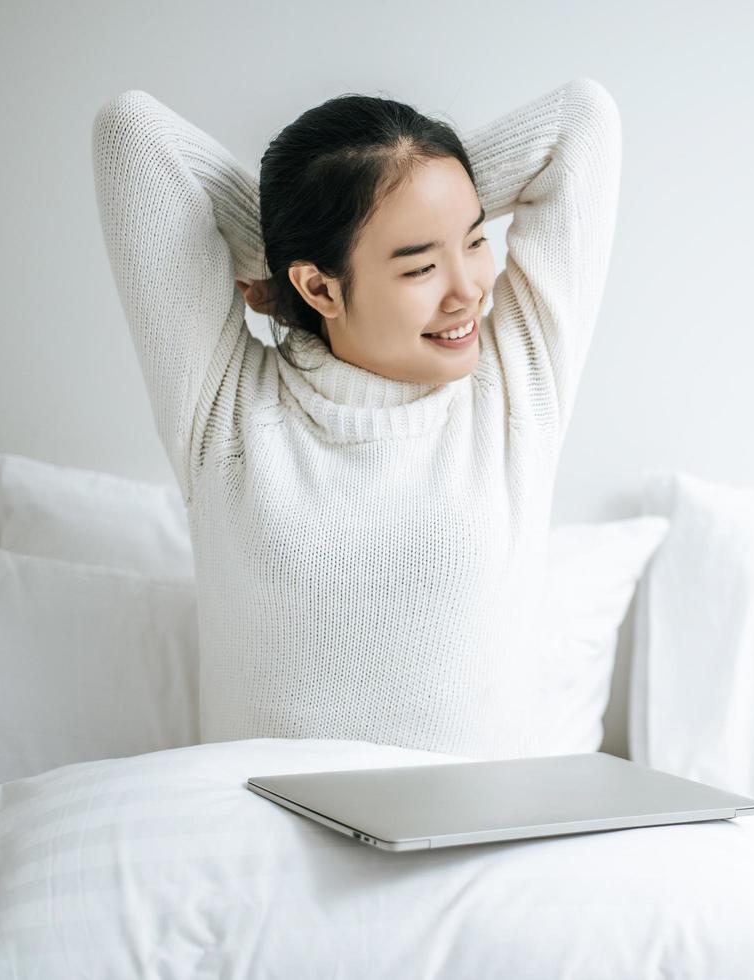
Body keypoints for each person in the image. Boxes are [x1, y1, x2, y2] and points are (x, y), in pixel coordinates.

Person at [90, 78, 622, 759]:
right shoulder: (226, 410)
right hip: (260, 846)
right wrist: (294, 246)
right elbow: (133, 132)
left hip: (469, 849)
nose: (467, 291)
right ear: (319, 286)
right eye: (421, 266)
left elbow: (582, 119)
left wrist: (396, 190)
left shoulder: (516, 387)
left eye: (474, 239)